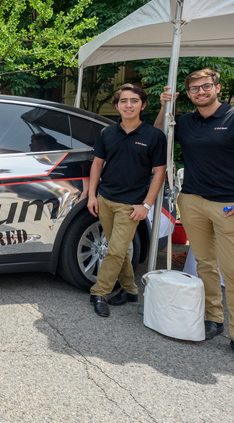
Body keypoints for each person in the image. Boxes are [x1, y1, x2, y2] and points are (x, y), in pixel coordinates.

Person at [155, 68, 234, 373]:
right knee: (205, 265)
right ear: (188, 93)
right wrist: (164, 107)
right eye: (194, 88)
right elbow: (158, 137)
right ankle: (214, 319)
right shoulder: (184, 121)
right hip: (193, 201)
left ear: (218, 88)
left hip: (230, 207)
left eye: (206, 86)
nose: (200, 91)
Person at [87, 83, 167, 317]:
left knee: (114, 251)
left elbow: (159, 172)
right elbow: (97, 164)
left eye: (133, 101)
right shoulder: (107, 133)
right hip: (105, 199)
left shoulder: (154, 136)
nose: (128, 105)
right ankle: (131, 290)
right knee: (117, 250)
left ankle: (99, 292)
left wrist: (146, 205)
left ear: (142, 105)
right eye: (123, 101)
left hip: (131, 205)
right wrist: (93, 195)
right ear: (117, 105)